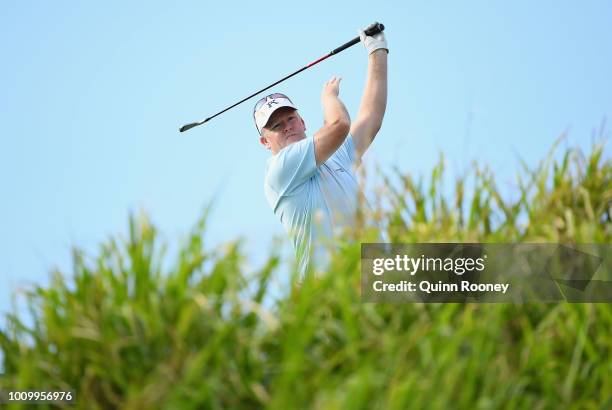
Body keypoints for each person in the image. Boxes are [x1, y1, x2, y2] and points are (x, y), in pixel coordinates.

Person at [254, 24, 388, 276]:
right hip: (330, 287)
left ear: (302, 122)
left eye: (290, 119)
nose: (286, 127)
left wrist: (377, 49)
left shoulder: (334, 157)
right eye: (275, 126)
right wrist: (329, 98)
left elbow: (371, 119)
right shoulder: (280, 169)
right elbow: (339, 125)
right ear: (265, 142)